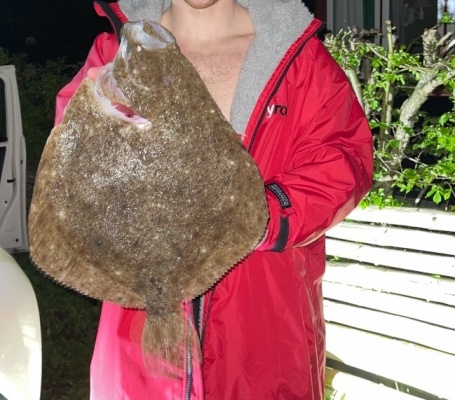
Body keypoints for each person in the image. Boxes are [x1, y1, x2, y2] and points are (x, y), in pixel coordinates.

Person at [55, 0, 374, 398]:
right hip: (144, 346)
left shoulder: (300, 58)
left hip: (266, 339)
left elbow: (342, 161)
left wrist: (256, 215)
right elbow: (73, 177)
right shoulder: (114, 55)